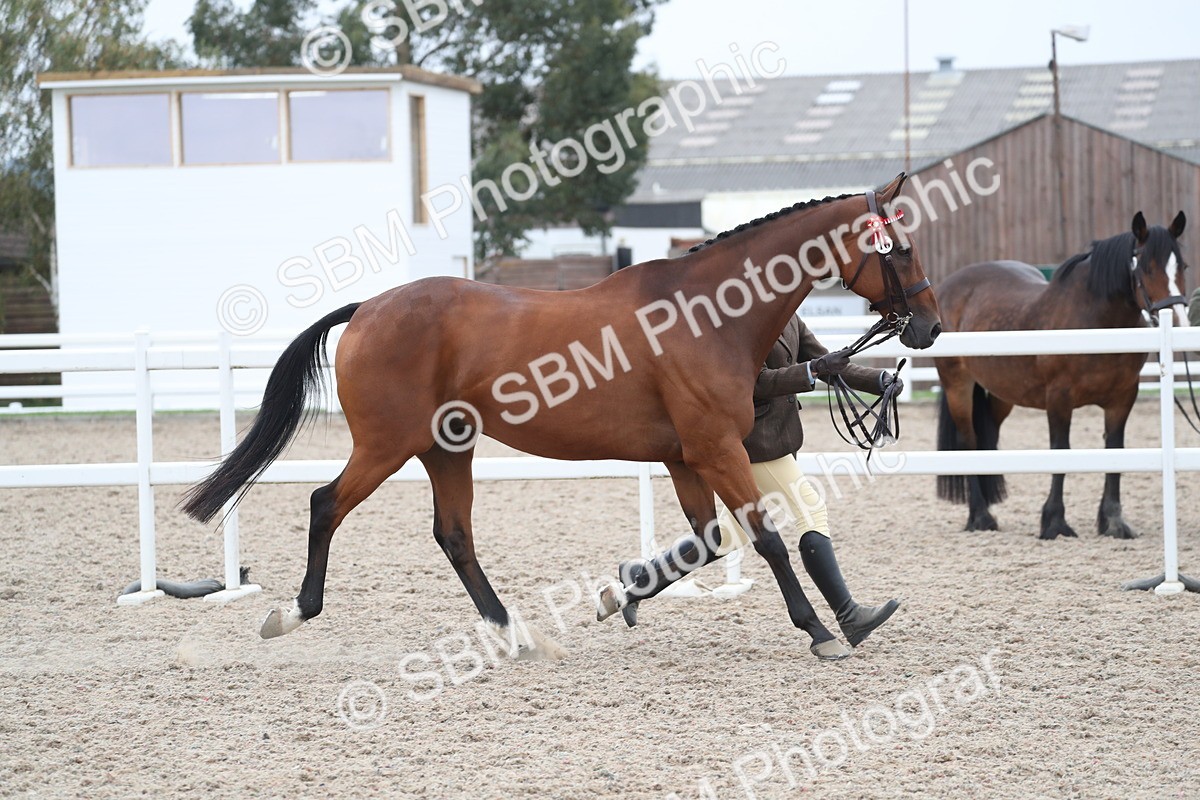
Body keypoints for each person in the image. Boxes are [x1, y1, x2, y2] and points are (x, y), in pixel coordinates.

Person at [598, 315, 902, 660]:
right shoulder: (737, 320)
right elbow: (750, 382)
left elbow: (825, 360)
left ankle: (639, 581)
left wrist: (877, 381)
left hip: (778, 435)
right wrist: (810, 371)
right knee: (810, 508)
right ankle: (849, 615)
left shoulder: (788, 317)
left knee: (730, 535)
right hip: (752, 439)